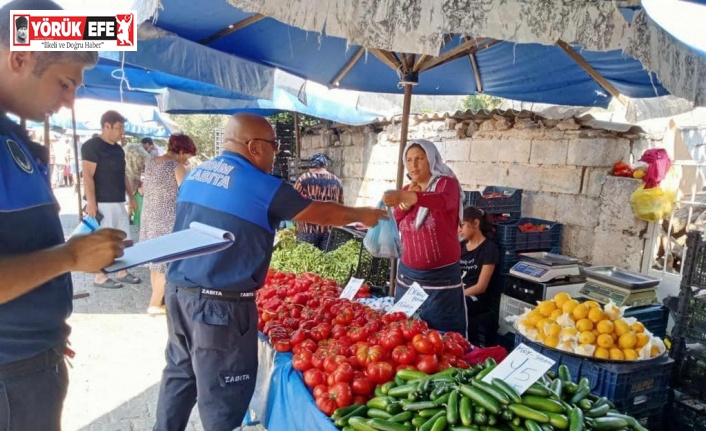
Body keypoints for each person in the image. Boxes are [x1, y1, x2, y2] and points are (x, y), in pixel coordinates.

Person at [153, 113, 386, 431]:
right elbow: (324, 213)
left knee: (180, 375)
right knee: (224, 393)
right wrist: (365, 215)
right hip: (219, 308)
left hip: (179, 293)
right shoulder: (263, 185)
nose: (275, 153)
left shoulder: (196, 175)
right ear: (253, 146)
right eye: (273, 146)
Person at [0, 1, 127, 430]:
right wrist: (70, 258)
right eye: (65, 83)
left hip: (30, 365)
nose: (71, 101)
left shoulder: (11, 134)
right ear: (20, 57)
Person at [382, 139, 467, 336]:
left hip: (441, 280)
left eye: (420, 158)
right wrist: (405, 203)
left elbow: (442, 201)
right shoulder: (406, 190)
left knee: (442, 338)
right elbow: (395, 219)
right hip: (407, 276)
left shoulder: (447, 184)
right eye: (409, 160)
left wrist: (411, 198)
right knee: (406, 334)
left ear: (431, 160)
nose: (414, 165)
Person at [82, 110, 141, 288]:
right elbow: (87, 175)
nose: (122, 132)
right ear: (107, 126)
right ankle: (99, 276)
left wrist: (131, 197)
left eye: (123, 127)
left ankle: (123, 271)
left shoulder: (117, 149)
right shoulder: (91, 146)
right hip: (101, 202)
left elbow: (122, 174)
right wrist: (92, 202)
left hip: (118, 200)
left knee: (123, 237)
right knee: (104, 240)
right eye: (119, 127)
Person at [139, 133, 197, 316]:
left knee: (154, 263)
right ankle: (155, 304)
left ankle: (155, 300)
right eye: (187, 154)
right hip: (167, 220)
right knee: (165, 264)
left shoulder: (151, 163)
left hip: (149, 217)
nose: (187, 158)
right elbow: (187, 192)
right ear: (180, 150)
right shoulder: (176, 166)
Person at [459, 206, 501, 346]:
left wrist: (457, 295)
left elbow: (481, 287)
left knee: (457, 306)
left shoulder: (489, 249)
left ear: (475, 223)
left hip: (478, 299)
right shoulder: (460, 246)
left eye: (462, 225)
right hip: (460, 293)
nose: (458, 230)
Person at [293, 152, 344, 250]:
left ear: (311, 165)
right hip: (329, 229)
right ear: (324, 165)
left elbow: (293, 202)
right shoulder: (336, 181)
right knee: (326, 262)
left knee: (306, 261)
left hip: (307, 229)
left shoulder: (303, 179)